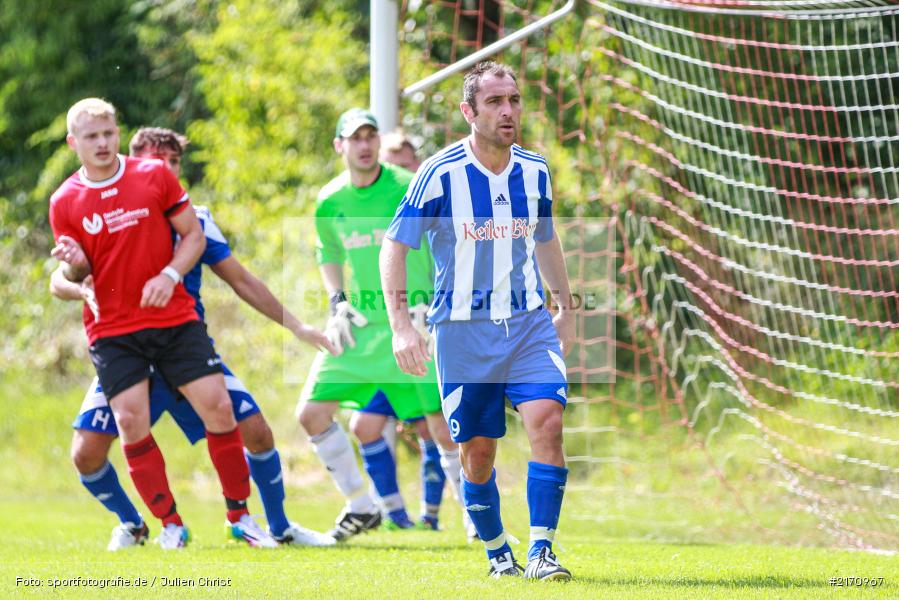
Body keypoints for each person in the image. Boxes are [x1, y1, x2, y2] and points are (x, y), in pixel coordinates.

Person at [51, 127, 336, 550]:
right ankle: (134, 524)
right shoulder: (106, 206)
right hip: (127, 349)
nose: (166, 168)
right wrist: (81, 287)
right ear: (134, 160)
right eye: (156, 159)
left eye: (174, 162)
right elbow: (60, 275)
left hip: (181, 345)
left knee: (256, 431)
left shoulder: (194, 220)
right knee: (86, 453)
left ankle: (275, 526)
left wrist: (296, 325)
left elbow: (240, 279)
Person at [380, 62, 576, 580]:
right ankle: (498, 556)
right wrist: (401, 324)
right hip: (463, 333)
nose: (507, 110)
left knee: (547, 422)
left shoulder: (535, 170)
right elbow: (394, 245)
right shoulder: (440, 173)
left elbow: (546, 238)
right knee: (478, 453)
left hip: (528, 323)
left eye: (513, 99)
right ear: (469, 111)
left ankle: (541, 552)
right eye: (494, 102)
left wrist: (566, 306)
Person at [50, 98, 255, 550]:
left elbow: (193, 235)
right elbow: (74, 273)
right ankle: (170, 525)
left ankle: (240, 517)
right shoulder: (64, 201)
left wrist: (169, 275)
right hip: (113, 330)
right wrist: (77, 266)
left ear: (117, 133)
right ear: (73, 143)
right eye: (91, 137)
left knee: (219, 408)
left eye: (108, 133)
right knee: (130, 421)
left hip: (173, 317)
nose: (102, 143)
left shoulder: (153, 176)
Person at [295, 108, 467, 540]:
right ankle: (361, 505)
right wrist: (336, 301)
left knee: (443, 425)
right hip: (362, 325)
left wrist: (440, 299)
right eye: (355, 138)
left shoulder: (407, 186)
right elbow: (327, 252)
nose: (365, 144)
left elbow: (447, 238)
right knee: (311, 413)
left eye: (371, 136)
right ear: (340, 146)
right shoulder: (330, 199)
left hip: (415, 321)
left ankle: (474, 519)